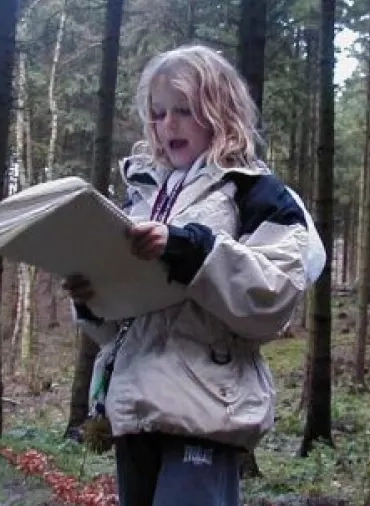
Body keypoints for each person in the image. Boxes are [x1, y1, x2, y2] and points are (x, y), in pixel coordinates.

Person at [64, 44, 324, 506]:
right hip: (134, 406)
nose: (169, 125)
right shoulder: (141, 195)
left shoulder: (254, 191)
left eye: (184, 110)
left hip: (205, 403)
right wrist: (92, 298)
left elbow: (274, 298)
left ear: (220, 112)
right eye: (159, 113)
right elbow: (119, 330)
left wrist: (191, 249)